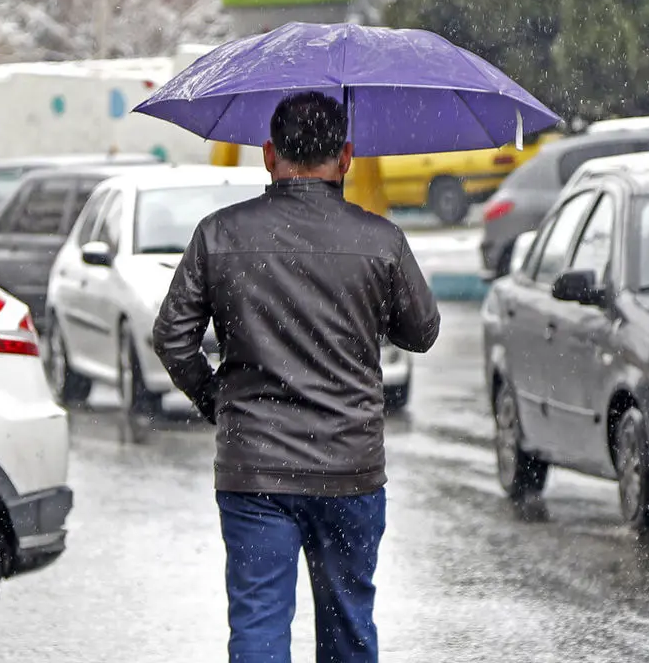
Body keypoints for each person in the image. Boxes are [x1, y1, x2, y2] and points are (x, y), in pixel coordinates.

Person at [152, 91, 441, 663]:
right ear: (347, 157)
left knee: (258, 629)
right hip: (350, 468)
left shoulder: (220, 234)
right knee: (349, 630)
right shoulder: (380, 240)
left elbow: (172, 336)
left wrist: (218, 402)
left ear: (268, 154)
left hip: (254, 467)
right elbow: (422, 332)